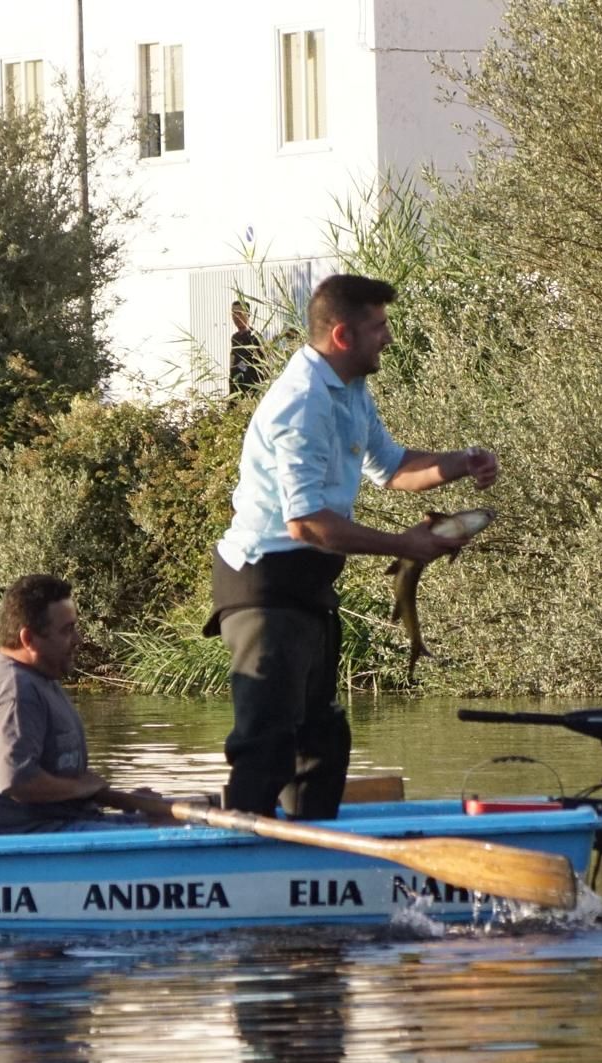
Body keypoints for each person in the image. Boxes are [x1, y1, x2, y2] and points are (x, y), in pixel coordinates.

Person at [206, 273, 500, 820]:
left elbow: (391, 467)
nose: (387, 337)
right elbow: (306, 524)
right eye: (378, 327)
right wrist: (402, 543)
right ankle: (243, 866)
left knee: (324, 741)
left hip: (307, 585)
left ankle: (311, 870)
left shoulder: (350, 388)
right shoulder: (302, 402)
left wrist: (462, 461)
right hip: (264, 584)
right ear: (343, 336)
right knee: (266, 747)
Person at [0, 574, 138, 834]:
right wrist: (81, 788)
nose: (78, 640)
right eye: (67, 630)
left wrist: (126, 799)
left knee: (162, 820)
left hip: (66, 826)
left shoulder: (37, 677)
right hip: (35, 841)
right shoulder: (14, 691)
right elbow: (15, 780)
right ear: (28, 639)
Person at [228, 299, 266, 395]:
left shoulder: (254, 337)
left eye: (239, 313)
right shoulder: (235, 338)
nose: (236, 317)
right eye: (234, 313)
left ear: (248, 314)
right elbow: (233, 364)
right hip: (236, 390)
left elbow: (264, 366)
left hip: (251, 391)